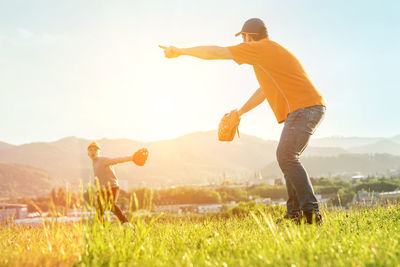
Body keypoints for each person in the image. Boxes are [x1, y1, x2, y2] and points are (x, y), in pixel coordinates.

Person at [160, 18, 325, 224]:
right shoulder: (267, 54)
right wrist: (240, 112)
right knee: (287, 158)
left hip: (304, 108)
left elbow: (216, 52)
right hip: (308, 107)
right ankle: (296, 214)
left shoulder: (259, 49)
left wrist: (181, 51)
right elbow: (264, 91)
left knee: (286, 156)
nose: (243, 42)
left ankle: (310, 213)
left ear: (249, 37)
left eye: (243, 37)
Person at [87, 141, 148, 225]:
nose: (92, 151)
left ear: (99, 152)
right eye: (90, 150)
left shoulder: (102, 160)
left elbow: (117, 160)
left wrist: (132, 157)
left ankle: (125, 223)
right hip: (102, 190)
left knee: (110, 205)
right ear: (88, 154)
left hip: (112, 187)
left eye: (95, 150)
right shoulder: (94, 164)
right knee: (99, 211)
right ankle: (102, 229)